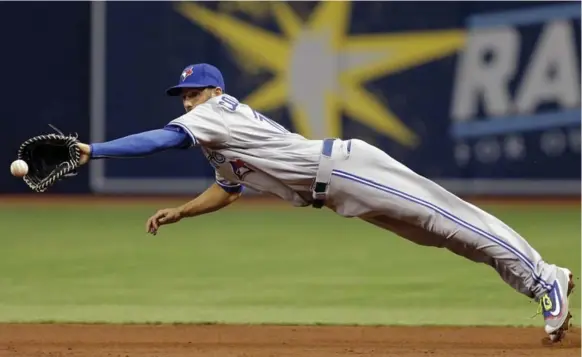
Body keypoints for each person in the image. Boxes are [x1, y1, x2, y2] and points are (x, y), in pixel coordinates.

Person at [77, 63, 574, 342]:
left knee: (449, 217)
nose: (187, 102)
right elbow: (229, 188)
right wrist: (183, 211)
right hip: (339, 193)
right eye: (182, 97)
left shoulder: (217, 114)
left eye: (193, 93)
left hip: (347, 169)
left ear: (215, 91)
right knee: (446, 236)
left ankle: (543, 276)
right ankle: (541, 284)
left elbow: (159, 141)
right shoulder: (217, 137)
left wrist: (93, 150)